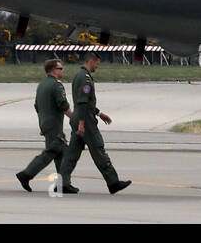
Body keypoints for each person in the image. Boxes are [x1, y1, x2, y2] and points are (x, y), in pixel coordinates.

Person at [59, 52, 131, 194]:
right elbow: (83, 102)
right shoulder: (85, 78)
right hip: (85, 120)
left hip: (79, 117)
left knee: (72, 153)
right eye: (97, 63)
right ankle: (113, 182)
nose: (97, 66)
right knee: (98, 149)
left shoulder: (79, 75)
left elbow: (86, 103)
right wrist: (82, 124)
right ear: (91, 61)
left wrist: (100, 114)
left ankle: (61, 184)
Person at [16, 59, 80, 193]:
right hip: (54, 125)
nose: (62, 70)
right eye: (60, 68)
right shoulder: (56, 85)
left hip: (46, 124)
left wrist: (42, 124)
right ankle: (26, 174)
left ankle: (63, 184)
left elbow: (37, 106)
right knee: (52, 152)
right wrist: (76, 120)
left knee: (61, 154)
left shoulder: (42, 84)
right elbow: (63, 105)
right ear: (53, 70)